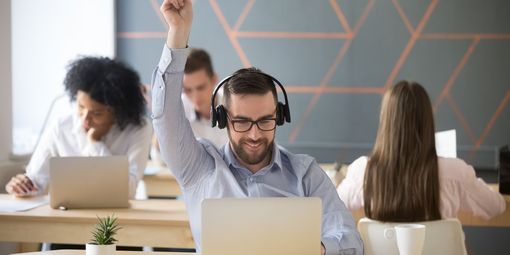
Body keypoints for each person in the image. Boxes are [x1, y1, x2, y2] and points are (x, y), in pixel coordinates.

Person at [152, 1, 363, 254]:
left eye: (265, 120)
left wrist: (314, 249)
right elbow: (165, 117)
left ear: (280, 116)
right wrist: (178, 33)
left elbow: (351, 241)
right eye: (242, 122)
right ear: (223, 119)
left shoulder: (305, 174)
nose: (255, 135)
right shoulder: (198, 168)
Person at [337, 81, 506, 222]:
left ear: (385, 120)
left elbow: (330, 208)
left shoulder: (363, 172)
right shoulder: (455, 172)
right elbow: (496, 206)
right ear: (427, 121)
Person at [6, 57, 153, 199]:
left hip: (116, 218)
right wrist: (23, 185)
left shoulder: (138, 129)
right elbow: (37, 180)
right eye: (81, 106)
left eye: (97, 113)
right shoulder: (62, 126)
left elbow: (127, 189)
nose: (85, 118)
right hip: (67, 214)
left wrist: (94, 144)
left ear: (117, 111)